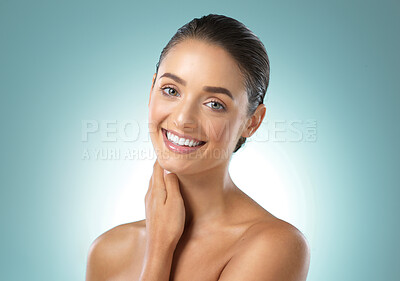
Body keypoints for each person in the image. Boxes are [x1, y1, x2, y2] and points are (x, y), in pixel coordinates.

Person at [85, 14, 310, 281]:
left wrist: (159, 253)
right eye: (171, 90)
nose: (183, 119)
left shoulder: (274, 246)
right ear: (151, 91)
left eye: (214, 103)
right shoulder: (107, 250)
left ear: (252, 122)